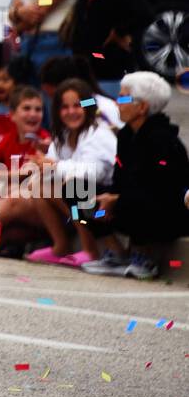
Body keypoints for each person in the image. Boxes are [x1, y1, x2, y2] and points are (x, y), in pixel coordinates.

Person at [81, 72, 189, 280]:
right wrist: (110, 198)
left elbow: (162, 192)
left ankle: (144, 257)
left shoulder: (163, 140)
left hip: (163, 216)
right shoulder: (125, 135)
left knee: (138, 202)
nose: (117, 103)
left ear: (142, 107)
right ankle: (116, 253)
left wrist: (118, 199)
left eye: (123, 98)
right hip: (125, 209)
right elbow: (120, 180)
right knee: (76, 189)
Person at [25, 79, 117, 265]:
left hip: (105, 198)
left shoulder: (98, 134)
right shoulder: (63, 136)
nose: (71, 112)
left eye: (77, 105)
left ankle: (90, 249)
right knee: (38, 184)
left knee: (75, 187)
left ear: (88, 107)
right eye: (64, 107)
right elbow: (52, 170)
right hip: (82, 196)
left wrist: (55, 166)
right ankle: (61, 245)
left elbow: (95, 173)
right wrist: (42, 166)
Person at [0, 87, 50, 254]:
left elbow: (30, 172)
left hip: (35, 204)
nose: (33, 114)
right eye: (27, 108)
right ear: (12, 114)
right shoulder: (9, 138)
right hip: (15, 209)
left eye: (38, 109)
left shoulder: (44, 141)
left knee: (12, 193)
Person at [38, 53, 121, 130]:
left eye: (53, 96)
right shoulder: (88, 102)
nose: (55, 102)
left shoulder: (96, 102)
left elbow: (93, 101)